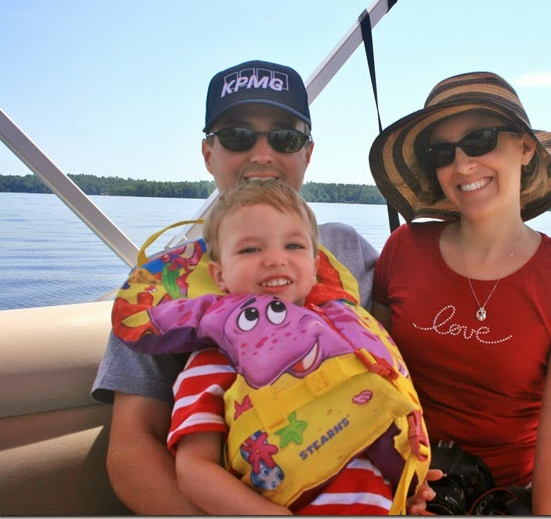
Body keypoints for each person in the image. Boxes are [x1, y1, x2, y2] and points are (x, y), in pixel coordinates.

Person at [91, 59, 379, 514]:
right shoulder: (162, 291)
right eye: (238, 136)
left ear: (307, 153)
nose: (262, 154)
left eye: (284, 138)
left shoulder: (350, 250)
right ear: (209, 153)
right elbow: (132, 451)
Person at [369, 71, 551, 515]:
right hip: (401, 478)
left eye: (480, 140)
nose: (462, 165)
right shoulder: (403, 248)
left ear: (525, 147)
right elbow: (376, 379)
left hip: (506, 493)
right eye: (442, 152)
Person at [113, 178, 425, 514]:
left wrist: (409, 486)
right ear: (219, 276)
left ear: (315, 267)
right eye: (250, 249)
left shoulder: (346, 338)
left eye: (293, 245)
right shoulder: (213, 363)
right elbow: (193, 471)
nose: (276, 259)